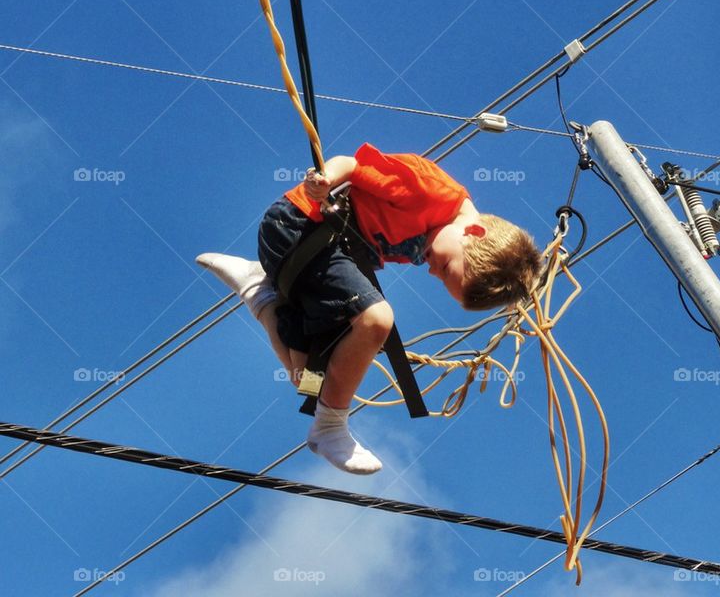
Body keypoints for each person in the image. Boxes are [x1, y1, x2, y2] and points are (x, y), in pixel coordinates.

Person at [197, 143, 540, 475]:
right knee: (378, 319)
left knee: (309, 381)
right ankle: (330, 426)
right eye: (447, 268)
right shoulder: (429, 189)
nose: (433, 271)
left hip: (305, 263)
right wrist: (325, 180)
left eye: (441, 276)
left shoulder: (442, 235)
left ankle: (257, 289)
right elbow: (351, 165)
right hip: (298, 226)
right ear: (475, 232)